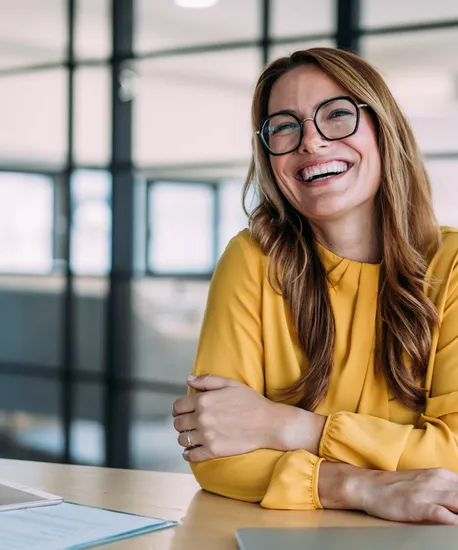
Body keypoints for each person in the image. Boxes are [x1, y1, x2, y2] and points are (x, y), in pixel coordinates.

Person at [171, 47, 458, 525]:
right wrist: (362, 485)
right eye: (284, 126)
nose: (312, 142)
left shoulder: (452, 266)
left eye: (337, 115)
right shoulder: (252, 259)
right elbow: (217, 452)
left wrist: (282, 426)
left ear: (384, 130)